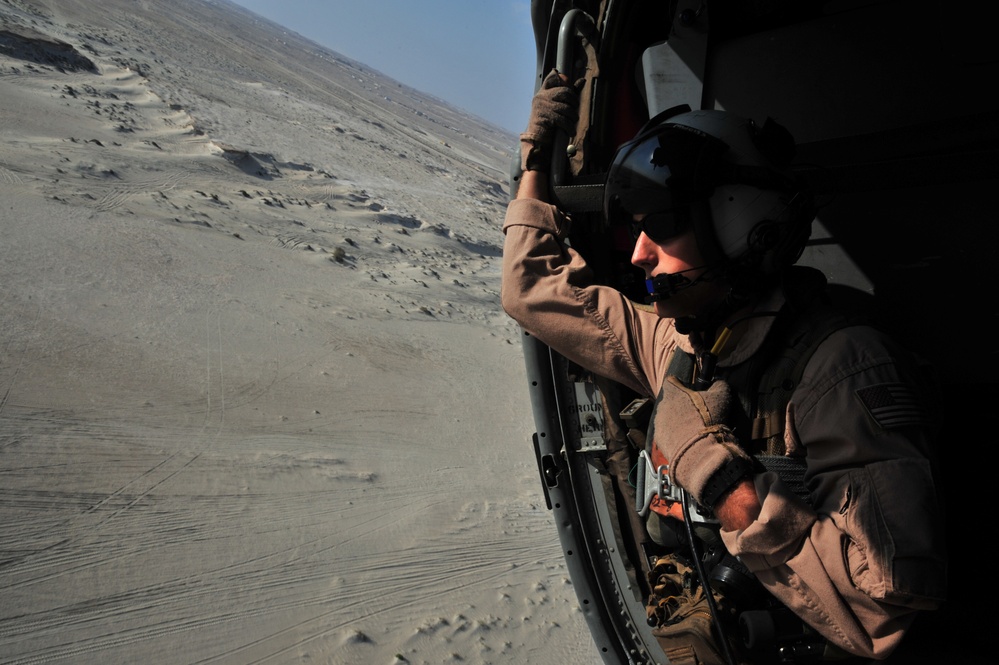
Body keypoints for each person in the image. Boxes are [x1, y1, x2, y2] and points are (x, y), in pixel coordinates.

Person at [501, 70, 947, 663]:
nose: (638, 253)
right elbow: (532, 288)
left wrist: (717, 477)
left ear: (741, 225)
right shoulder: (682, 346)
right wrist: (533, 163)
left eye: (661, 225)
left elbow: (883, 613)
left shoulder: (840, 368)